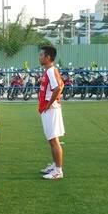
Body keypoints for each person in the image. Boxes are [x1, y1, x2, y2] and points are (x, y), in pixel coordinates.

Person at [37, 46, 65, 180]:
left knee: (54, 140)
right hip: (49, 108)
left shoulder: (50, 71)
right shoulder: (50, 70)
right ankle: (55, 165)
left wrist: (49, 104)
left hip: (50, 109)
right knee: (52, 139)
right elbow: (62, 85)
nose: (39, 57)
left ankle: (58, 171)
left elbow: (58, 88)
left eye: (41, 55)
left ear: (48, 57)